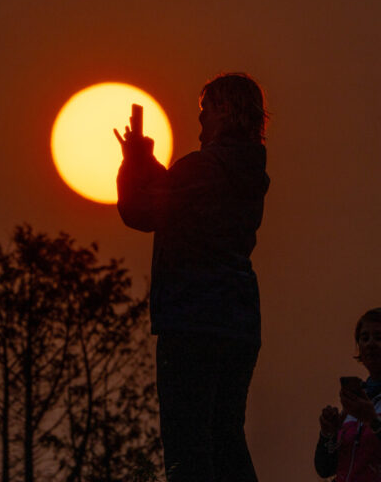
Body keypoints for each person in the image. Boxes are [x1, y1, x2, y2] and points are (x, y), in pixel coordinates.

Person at [114, 73, 270, 482]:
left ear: (223, 110)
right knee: (227, 438)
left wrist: (132, 161)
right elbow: (173, 194)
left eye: (204, 111)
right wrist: (145, 160)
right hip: (239, 321)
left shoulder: (204, 166)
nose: (199, 122)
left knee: (188, 444)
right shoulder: (248, 173)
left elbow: (141, 210)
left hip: (192, 318)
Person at [315, 308, 381, 481]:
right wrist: (328, 433)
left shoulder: (362, 407)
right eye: (364, 338)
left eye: (379, 337)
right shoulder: (356, 401)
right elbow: (325, 468)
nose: (370, 344)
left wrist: (373, 422)